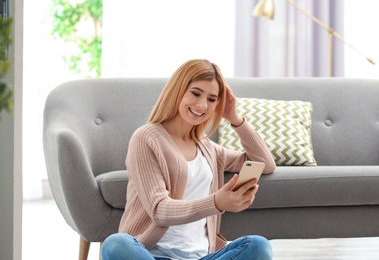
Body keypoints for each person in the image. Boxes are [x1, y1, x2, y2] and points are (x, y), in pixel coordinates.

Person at [101, 59, 277, 260]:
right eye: (195, 93)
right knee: (116, 244)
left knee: (258, 246)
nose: (202, 105)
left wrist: (235, 119)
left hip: (201, 257)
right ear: (178, 90)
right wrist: (216, 202)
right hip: (150, 255)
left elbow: (265, 163)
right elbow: (159, 209)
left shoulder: (209, 148)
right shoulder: (147, 138)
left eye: (212, 99)